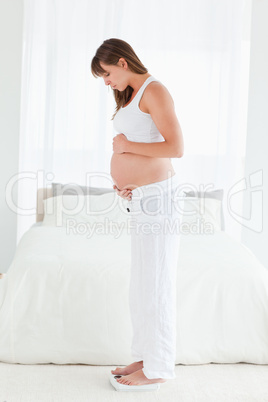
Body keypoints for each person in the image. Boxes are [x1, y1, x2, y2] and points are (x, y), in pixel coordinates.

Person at [91, 38, 184, 388]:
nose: (105, 81)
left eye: (106, 73)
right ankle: (146, 356)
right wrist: (125, 183)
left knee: (157, 283)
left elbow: (176, 147)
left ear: (122, 61)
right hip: (143, 197)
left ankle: (158, 368)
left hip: (160, 199)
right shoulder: (131, 95)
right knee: (142, 284)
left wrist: (127, 148)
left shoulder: (154, 91)